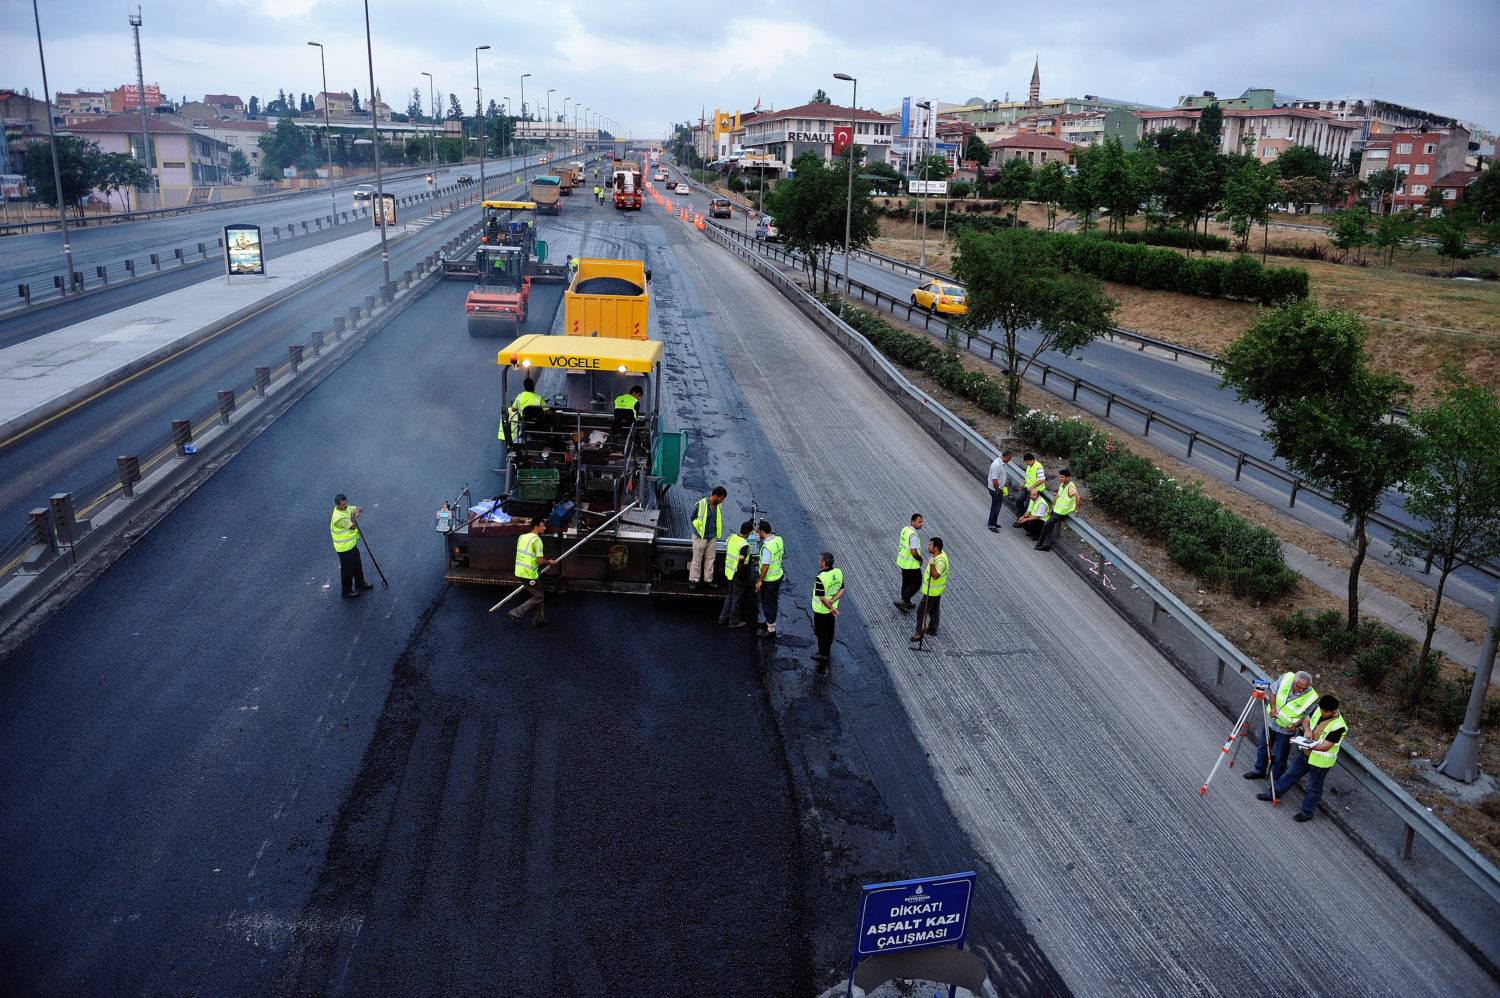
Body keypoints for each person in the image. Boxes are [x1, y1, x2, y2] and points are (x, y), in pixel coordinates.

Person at [1258, 695, 1347, 822]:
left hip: (1320, 762)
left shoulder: (1338, 726)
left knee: (1314, 787)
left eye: (1325, 711)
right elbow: (1306, 720)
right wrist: (1307, 731)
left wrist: (1304, 743)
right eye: (1321, 709)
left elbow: (1325, 747)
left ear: (1334, 710)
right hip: (1305, 753)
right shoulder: (1319, 709)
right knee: (1290, 774)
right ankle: (1273, 794)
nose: (1322, 713)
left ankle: (1307, 813)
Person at [1245, 671, 1318, 783]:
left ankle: (1275, 782)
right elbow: (1273, 692)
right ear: (1294, 681)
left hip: (1285, 730)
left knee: (1280, 757)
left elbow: (1306, 717)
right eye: (1299, 687)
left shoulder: (1312, 697)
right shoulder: (1286, 678)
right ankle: (1259, 770)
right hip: (1271, 722)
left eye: (1305, 688)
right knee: (1263, 746)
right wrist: (1273, 707)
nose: (1301, 690)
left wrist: (1295, 725)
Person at [509, 518, 556, 627]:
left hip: (520, 571)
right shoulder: (537, 540)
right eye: (542, 526)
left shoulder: (522, 537)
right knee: (538, 597)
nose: (545, 528)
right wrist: (549, 562)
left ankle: (538, 619)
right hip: (529, 574)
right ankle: (516, 613)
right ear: (536, 527)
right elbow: (540, 561)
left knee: (539, 595)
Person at [331, 494, 374, 598]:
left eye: (347, 503)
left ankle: (360, 583)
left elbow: (360, 508)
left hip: (351, 545)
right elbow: (353, 526)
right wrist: (353, 515)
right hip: (344, 548)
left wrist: (357, 510)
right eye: (344, 504)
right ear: (337, 505)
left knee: (357, 565)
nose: (346, 505)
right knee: (347, 570)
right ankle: (346, 591)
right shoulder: (338, 518)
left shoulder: (345, 508)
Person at [688, 486, 727, 589]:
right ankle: (693, 580)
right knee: (697, 558)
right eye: (721, 498)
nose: (722, 501)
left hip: (712, 536)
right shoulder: (701, 504)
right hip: (700, 536)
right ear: (715, 496)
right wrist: (698, 529)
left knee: (710, 558)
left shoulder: (718, 505)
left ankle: (708, 580)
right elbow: (692, 517)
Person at [811, 551, 845, 670]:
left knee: (821, 632)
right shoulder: (838, 572)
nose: (819, 562)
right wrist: (833, 603)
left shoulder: (820, 578)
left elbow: (821, 598)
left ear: (824, 563)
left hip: (822, 610)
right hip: (832, 610)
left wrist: (830, 606)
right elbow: (842, 590)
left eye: (820, 560)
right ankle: (828, 647)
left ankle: (823, 653)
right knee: (830, 629)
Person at [911, 537, 948, 640]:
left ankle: (919, 633)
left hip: (932, 591)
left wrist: (931, 563)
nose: (928, 546)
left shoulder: (940, 561)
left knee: (921, 611)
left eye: (930, 545)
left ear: (936, 548)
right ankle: (932, 628)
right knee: (934, 610)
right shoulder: (937, 555)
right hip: (936, 591)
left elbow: (936, 576)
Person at [719, 521, 754, 628]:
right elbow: (742, 557)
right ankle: (733, 621)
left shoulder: (731, 537)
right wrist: (738, 565)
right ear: (749, 532)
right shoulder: (744, 544)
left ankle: (722, 617)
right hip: (738, 574)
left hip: (728, 572)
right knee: (736, 598)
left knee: (730, 595)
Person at [1035, 468, 1080, 551]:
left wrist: (1077, 509)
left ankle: (1040, 543)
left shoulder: (1070, 487)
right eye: (1060, 477)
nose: (1060, 478)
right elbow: (1057, 497)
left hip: (1061, 512)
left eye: (1062, 477)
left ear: (1068, 478)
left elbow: (1078, 496)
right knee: (1049, 526)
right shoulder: (1062, 485)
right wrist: (1051, 508)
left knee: (1047, 525)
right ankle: (1046, 545)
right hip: (1056, 510)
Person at [755, 519, 784, 636]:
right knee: (771, 601)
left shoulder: (767, 547)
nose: (758, 533)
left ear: (762, 531)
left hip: (769, 580)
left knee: (769, 603)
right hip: (778, 576)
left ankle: (771, 630)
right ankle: (768, 623)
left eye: (758, 531)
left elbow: (765, 566)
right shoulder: (778, 539)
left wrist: (760, 581)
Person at [894, 513, 924, 612]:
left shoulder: (905, 529)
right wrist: (920, 559)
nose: (921, 524)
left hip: (903, 562)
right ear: (913, 522)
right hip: (911, 564)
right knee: (917, 583)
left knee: (906, 582)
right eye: (919, 522)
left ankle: (906, 602)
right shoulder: (913, 535)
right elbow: (914, 552)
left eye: (922, 521)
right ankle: (903, 600)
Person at [504, 377, 546, 443]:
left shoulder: (519, 396)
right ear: (533, 386)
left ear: (524, 387)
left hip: (525, 423)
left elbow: (513, 409)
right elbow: (549, 412)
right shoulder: (539, 398)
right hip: (537, 423)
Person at [1014, 452, 1047, 519]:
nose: (1027, 464)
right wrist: (1023, 483)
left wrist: (1032, 487)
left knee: (1028, 506)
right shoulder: (1029, 465)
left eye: (1028, 462)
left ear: (1032, 460)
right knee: (1018, 500)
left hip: (1034, 490)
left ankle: (1024, 521)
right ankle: (1020, 517)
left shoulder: (1038, 467)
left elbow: (1042, 480)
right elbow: (1028, 477)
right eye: (1026, 462)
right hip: (1027, 488)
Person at [987, 451, 1013, 532]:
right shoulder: (997, 465)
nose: (1010, 460)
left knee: (998, 506)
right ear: (1007, 457)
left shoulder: (1001, 463)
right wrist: (997, 490)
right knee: (995, 507)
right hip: (995, 489)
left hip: (998, 488)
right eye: (1010, 458)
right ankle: (991, 524)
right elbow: (994, 479)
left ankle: (994, 522)